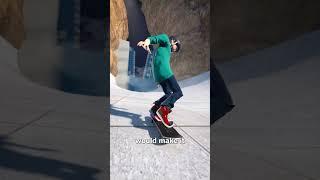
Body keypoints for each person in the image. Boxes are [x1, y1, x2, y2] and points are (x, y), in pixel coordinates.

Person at [137, 34, 182, 128]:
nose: (175, 49)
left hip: (158, 76)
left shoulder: (162, 49)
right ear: (173, 41)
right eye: (176, 46)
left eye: (176, 50)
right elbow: (155, 39)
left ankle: (155, 109)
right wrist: (147, 41)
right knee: (178, 92)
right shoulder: (166, 40)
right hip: (166, 73)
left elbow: (156, 56)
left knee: (168, 94)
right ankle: (163, 110)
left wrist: (148, 47)